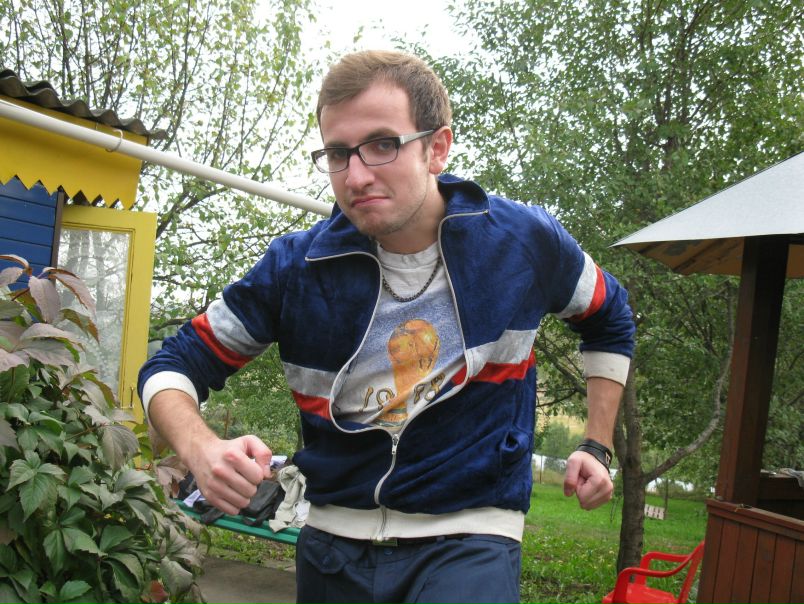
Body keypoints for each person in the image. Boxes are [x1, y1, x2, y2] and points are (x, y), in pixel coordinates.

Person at [138, 49, 635, 604]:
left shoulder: (521, 242)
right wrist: (200, 448)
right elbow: (171, 365)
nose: (356, 176)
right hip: (331, 543)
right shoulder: (295, 269)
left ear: (437, 148)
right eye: (338, 153)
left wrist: (597, 443)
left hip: (471, 536)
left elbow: (610, 318)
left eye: (382, 145)